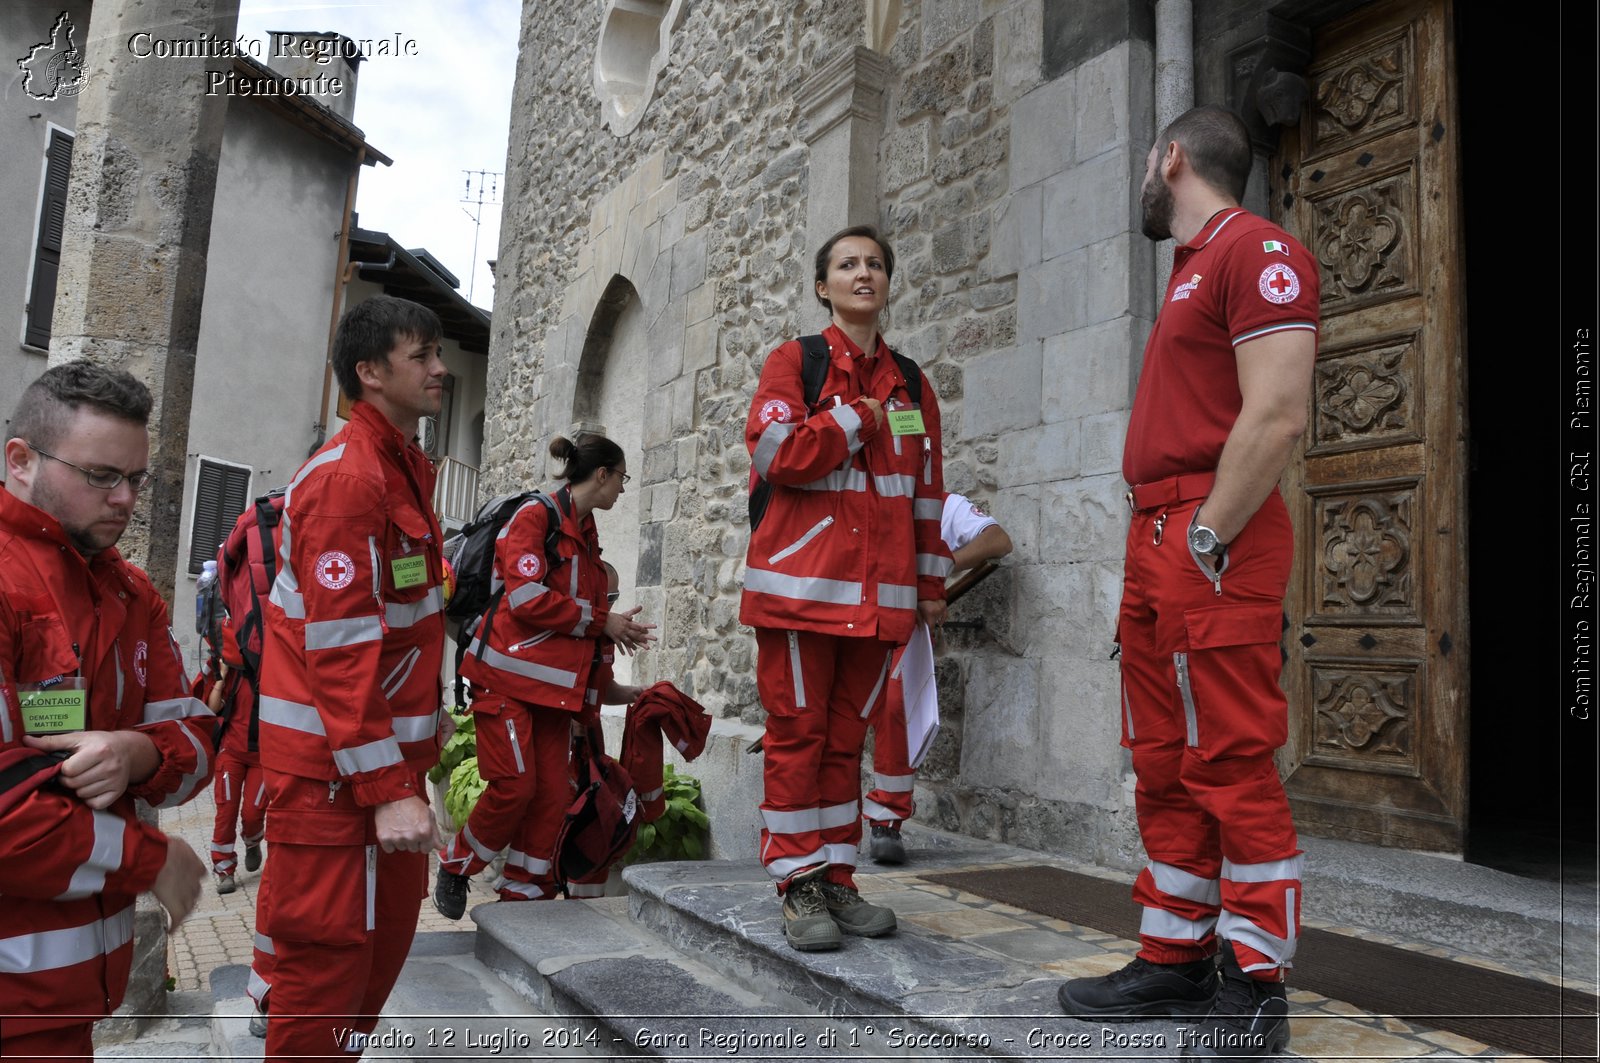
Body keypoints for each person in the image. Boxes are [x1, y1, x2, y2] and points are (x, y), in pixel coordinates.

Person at [1055, 106, 1319, 1060]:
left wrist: (1206, 538)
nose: (1141, 178)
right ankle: (1175, 954)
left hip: (1214, 531)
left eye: (1143, 161)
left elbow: (1279, 413)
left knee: (1233, 757)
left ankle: (1256, 982)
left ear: (1170, 157)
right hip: (1159, 531)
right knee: (1164, 756)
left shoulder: (1260, 251)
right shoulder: (1191, 269)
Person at [742, 224, 952, 952]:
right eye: (847, 264)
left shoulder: (914, 383)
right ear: (823, 286)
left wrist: (930, 584)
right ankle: (796, 882)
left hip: (881, 598)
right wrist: (854, 416)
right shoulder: (792, 362)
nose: (864, 273)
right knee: (797, 738)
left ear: (888, 283)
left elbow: (927, 493)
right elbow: (778, 451)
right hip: (801, 590)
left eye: (876, 264)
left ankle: (836, 875)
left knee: (843, 742)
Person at [253, 295, 450, 1061]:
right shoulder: (349, 480)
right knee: (322, 984)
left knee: (367, 977)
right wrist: (389, 788)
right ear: (369, 373)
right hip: (334, 788)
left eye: (439, 354)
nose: (440, 369)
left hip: (373, 778)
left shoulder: (402, 467)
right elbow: (340, 652)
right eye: (423, 356)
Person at [0, 361, 212, 1059]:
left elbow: (199, 739)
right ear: (20, 460)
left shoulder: (128, 590)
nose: (124, 499)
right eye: (100, 476)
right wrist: (150, 857)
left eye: (137, 479)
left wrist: (136, 751)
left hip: (63, 1001)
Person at [433, 434, 655, 916]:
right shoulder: (536, 517)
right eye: (622, 478)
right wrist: (604, 622)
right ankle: (455, 866)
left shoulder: (587, 533)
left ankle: (525, 898)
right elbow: (526, 599)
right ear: (602, 475)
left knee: (553, 796)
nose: (622, 488)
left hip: (556, 694)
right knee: (515, 786)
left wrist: (613, 640)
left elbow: (586, 619)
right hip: (506, 681)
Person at [862, 492, 1011, 863]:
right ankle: (829, 823)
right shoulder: (863, 493)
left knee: (896, 707)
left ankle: (887, 820)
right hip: (857, 621)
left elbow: (998, 540)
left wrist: (939, 567)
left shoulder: (942, 504)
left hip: (905, 630)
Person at [207, 621, 267, 895]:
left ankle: (252, 841)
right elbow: (212, 709)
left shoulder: (273, 673)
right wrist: (222, 675)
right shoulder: (231, 672)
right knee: (226, 810)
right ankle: (224, 871)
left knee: (253, 814)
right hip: (231, 751)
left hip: (263, 756)